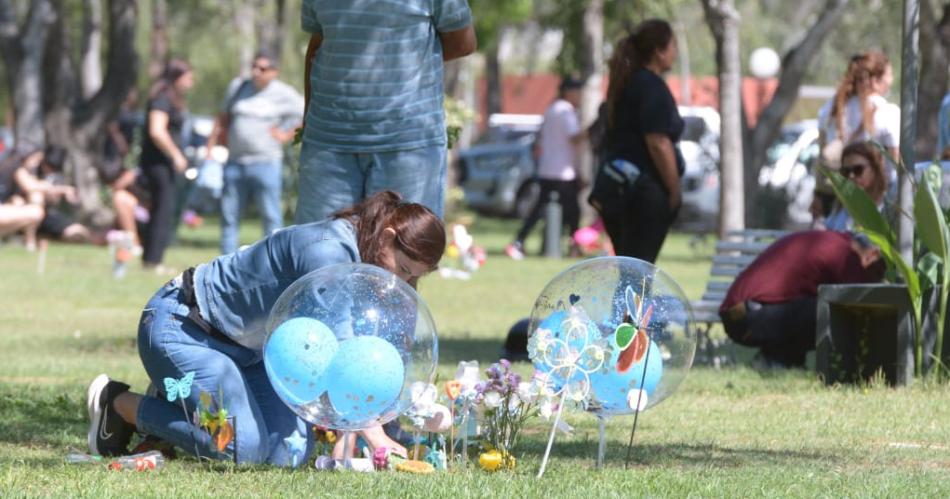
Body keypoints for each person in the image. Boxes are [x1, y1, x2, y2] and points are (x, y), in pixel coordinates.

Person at [85, 190, 445, 466]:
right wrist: (373, 434)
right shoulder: (329, 254)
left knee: (290, 454)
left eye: (412, 277)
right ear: (387, 237)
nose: (400, 281)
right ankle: (119, 404)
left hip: (248, 354)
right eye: (403, 268)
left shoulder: (364, 252)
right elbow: (341, 351)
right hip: (183, 328)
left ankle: (182, 398)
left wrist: (368, 426)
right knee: (240, 448)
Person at [294, 0, 476, 224]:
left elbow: (463, 42)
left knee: (403, 251)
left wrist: (405, 59)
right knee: (319, 251)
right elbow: (318, 46)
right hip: (328, 143)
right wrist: (308, 119)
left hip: (408, 143)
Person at [589, 19, 683, 263]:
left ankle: (626, 304)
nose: (676, 52)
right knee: (638, 272)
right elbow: (658, 141)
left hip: (617, 187)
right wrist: (673, 190)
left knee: (629, 269)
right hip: (642, 193)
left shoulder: (626, 84)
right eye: (672, 45)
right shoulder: (651, 87)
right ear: (659, 51)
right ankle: (630, 304)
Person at [719, 231, 885, 368]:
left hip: (742, 316)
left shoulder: (831, 239)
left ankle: (780, 362)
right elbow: (857, 300)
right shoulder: (845, 255)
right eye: (876, 271)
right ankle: (776, 361)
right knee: (833, 311)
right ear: (872, 255)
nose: (875, 278)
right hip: (748, 317)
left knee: (814, 306)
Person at [206, 51, 305, 255]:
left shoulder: (284, 93)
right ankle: (226, 261)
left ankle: (273, 261)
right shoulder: (238, 87)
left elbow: (307, 111)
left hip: (266, 163)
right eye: (254, 66)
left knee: (270, 216)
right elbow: (222, 117)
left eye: (262, 68)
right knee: (229, 215)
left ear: (274, 72)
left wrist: (286, 135)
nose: (256, 72)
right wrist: (211, 146)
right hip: (235, 162)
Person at [505, 77, 586, 260]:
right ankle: (574, 246)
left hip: (548, 169)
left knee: (538, 210)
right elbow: (575, 138)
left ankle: (519, 241)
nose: (580, 96)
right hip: (562, 172)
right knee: (573, 213)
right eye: (578, 92)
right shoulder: (566, 111)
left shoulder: (551, 109)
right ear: (569, 92)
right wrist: (594, 128)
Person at [140, 58, 194, 272]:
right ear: (176, 77)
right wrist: (176, 155)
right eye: (188, 77)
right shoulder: (162, 98)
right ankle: (154, 261)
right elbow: (156, 130)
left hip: (164, 163)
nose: (191, 81)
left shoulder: (170, 98)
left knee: (162, 208)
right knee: (163, 209)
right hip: (158, 163)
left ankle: (151, 259)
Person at [817, 51, 899, 167]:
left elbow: (822, 152)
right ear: (875, 80)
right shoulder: (888, 112)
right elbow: (896, 163)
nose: (892, 79)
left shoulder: (830, 107)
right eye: (889, 74)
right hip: (879, 184)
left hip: (839, 182)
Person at [822, 141, 890, 231]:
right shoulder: (842, 204)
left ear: (875, 169)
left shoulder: (887, 207)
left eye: (858, 170)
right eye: (846, 171)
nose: (851, 176)